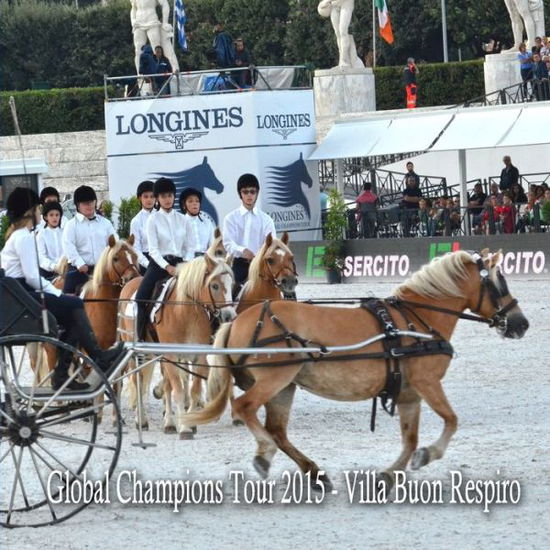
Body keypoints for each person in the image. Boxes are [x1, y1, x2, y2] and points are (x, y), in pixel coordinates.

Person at [1, 188, 123, 390]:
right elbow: (32, 277)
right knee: (74, 303)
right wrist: (58, 293)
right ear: (30, 212)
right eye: (38, 209)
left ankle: (62, 373)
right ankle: (97, 356)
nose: (41, 212)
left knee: (72, 315)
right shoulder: (24, 237)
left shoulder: (19, 236)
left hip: (19, 294)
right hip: (22, 296)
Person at [135, 177, 193, 341]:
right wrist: (167, 267)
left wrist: (185, 264)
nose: (167, 199)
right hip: (159, 265)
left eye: (169, 195)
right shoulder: (152, 219)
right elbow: (153, 250)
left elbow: (190, 247)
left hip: (182, 264)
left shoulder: (184, 219)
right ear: (157, 199)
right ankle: (141, 338)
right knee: (140, 298)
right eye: (162, 196)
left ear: (174, 196)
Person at [223, 173, 276, 297]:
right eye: (245, 192)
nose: (249, 195)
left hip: (261, 266)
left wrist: (258, 256)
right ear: (240, 194)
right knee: (228, 296)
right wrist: (243, 250)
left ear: (257, 193)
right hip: (239, 264)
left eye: (252, 192)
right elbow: (228, 243)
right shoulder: (230, 218)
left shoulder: (266, 219)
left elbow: (271, 243)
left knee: (282, 289)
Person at [62, 185, 117, 294]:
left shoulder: (105, 223)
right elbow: (68, 246)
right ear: (78, 205)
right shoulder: (71, 225)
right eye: (85, 203)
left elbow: (114, 243)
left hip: (102, 270)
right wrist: (80, 263)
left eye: (91, 202)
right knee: (69, 296)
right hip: (80, 270)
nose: (89, 205)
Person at [131, 0, 179, 74]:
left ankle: (158, 73)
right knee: (138, 51)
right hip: (138, 23)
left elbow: (165, 4)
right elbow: (133, 8)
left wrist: (165, 22)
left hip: (152, 21)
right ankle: (140, 76)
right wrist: (133, 20)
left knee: (156, 49)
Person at [179, 187, 215, 260]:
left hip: (206, 261)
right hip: (187, 262)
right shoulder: (179, 223)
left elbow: (213, 245)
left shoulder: (207, 222)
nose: (195, 203)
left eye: (197, 201)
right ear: (184, 205)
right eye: (190, 201)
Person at [130, 180, 155, 275]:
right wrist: (148, 265)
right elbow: (136, 249)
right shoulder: (135, 221)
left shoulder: (162, 217)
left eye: (152, 196)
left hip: (164, 260)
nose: (149, 200)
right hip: (146, 263)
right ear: (139, 198)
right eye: (146, 196)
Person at [37, 201, 64, 280]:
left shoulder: (64, 233)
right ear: (45, 217)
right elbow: (41, 257)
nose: (54, 218)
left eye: (57, 215)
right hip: (47, 272)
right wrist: (54, 266)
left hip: (64, 270)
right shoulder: (42, 234)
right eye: (51, 215)